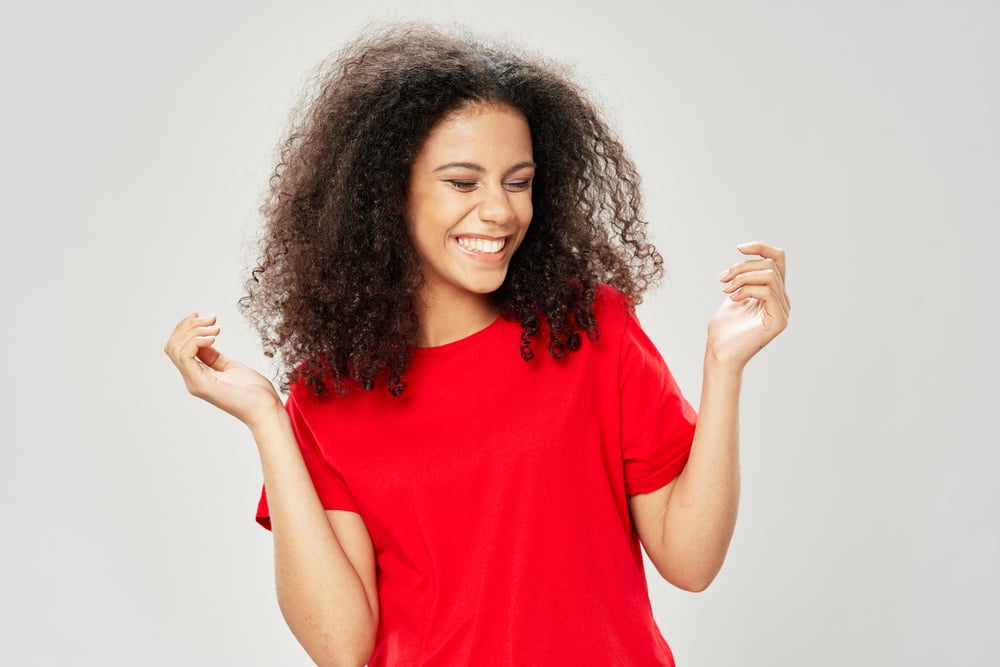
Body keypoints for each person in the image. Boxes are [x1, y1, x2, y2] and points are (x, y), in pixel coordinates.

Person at [164, 24, 789, 667]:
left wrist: (724, 367)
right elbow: (341, 646)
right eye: (464, 183)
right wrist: (268, 421)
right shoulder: (329, 393)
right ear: (388, 195)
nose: (499, 211)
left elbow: (690, 561)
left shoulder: (590, 331)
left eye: (517, 182)